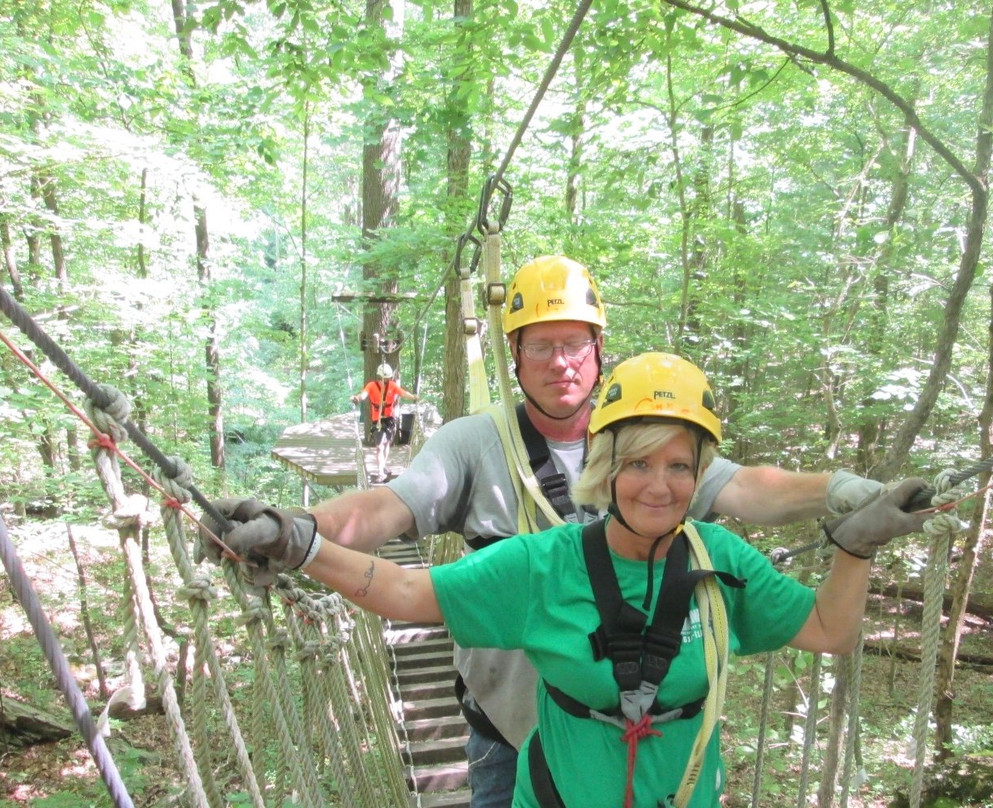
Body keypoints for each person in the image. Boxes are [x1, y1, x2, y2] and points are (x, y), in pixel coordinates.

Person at [201, 255, 888, 808]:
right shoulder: (477, 446)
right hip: (512, 723)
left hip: (650, 742)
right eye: (541, 346)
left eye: (575, 345)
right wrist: (300, 531)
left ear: (598, 352)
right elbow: (394, 511)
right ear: (515, 356)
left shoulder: (647, 441)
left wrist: (837, 495)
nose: (561, 362)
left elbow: (745, 489)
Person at [352, 362, 417, 482]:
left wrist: (413, 397)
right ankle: (381, 472)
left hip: (389, 419)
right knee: (379, 447)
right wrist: (357, 398)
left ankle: (383, 466)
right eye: (384, 378)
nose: (386, 380)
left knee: (386, 444)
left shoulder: (392, 386)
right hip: (377, 420)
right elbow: (364, 395)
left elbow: (403, 393)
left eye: (387, 378)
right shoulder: (371, 386)